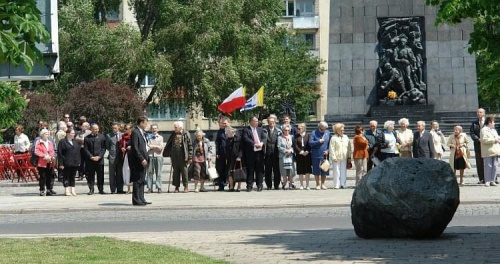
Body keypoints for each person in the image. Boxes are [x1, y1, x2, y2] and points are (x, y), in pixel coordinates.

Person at [163, 121, 193, 193]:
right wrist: (169, 154)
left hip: (183, 155)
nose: (174, 129)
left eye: (176, 127)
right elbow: (169, 144)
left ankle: (186, 187)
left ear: (180, 127)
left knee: (184, 172)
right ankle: (176, 187)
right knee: (175, 172)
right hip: (174, 156)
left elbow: (190, 146)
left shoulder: (186, 134)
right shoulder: (173, 134)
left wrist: (190, 157)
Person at [129, 116, 151, 205]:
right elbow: (135, 147)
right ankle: (136, 199)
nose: (146, 125)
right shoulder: (135, 132)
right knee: (137, 180)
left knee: (142, 180)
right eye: (145, 123)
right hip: (138, 160)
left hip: (144, 159)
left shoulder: (142, 132)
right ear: (141, 123)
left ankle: (141, 198)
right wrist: (141, 159)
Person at [242, 116, 266, 192]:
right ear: (251, 122)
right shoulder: (246, 130)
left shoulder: (260, 129)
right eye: (255, 121)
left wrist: (261, 143)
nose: (257, 122)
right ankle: (249, 186)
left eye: (257, 121)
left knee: (259, 170)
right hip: (250, 153)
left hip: (259, 153)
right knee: (250, 170)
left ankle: (259, 185)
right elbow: (245, 138)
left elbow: (264, 138)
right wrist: (255, 144)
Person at [83, 124, 106, 195]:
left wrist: (99, 156)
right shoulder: (87, 138)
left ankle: (101, 189)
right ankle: (91, 189)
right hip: (90, 160)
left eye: (97, 129)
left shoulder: (102, 137)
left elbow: (103, 148)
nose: (96, 130)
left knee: (100, 175)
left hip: (99, 160)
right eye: (95, 129)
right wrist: (91, 157)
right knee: (90, 175)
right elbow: (86, 149)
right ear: (91, 129)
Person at [57, 128, 81, 196]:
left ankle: (72, 189)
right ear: (68, 134)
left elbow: (78, 152)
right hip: (66, 162)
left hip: (74, 162)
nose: (74, 134)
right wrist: (61, 163)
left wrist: (78, 161)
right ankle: (66, 190)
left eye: (74, 133)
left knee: (72, 176)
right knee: (66, 176)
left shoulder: (75, 141)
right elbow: (60, 153)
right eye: (72, 133)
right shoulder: (62, 142)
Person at [329, 123, 352, 189]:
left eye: (343, 130)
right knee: (336, 171)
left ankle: (343, 184)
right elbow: (332, 148)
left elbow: (349, 148)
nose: (342, 131)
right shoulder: (333, 138)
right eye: (341, 130)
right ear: (337, 130)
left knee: (343, 171)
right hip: (336, 157)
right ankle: (336, 184)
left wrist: (349, 157)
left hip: (344, 157)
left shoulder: (346, 137)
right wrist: (333, 157)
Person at [34, 129, 56, 196]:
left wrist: (50, 156)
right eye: (46, 134)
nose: (47, 135)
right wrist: (44, 156)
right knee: (42, 176)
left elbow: (52, 150)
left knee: (49, 176)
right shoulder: (39, 142)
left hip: (49, 161)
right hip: (42, 162)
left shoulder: (50, 142)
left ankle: (49, 189)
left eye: (48, 134)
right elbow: (36, 151)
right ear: (42, 135)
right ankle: (42, 190)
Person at [309, 121, 330, 190]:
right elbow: (310, 143)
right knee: (316, 170)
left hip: (324, 155)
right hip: (316, 154)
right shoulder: (314, 133)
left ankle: (323, 184)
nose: (324, 130)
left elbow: (330, 144)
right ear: (320, 127)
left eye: (325, 129)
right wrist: (318, 141)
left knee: (324, 170)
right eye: (323, 129)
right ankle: (317, 184)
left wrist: (328, 150)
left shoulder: (328, 133)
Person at [480, 116, 500, 187]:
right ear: (489, 122)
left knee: (495, 166)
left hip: (495, 150)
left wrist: (498, 139)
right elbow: (484, 140)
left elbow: (497, 137)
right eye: (493, 122)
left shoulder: (494, 130)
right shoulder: (484, 130)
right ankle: (487, 181)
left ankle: (493, 180)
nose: (494, 123)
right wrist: (494, 140)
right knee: (488, 166)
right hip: (488, 150)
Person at [264, 114, 282, 190]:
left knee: (276, 170)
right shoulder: (264, 131)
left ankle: (276, 185)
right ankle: (268, 185)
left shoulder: (278, 131)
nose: (271, 123)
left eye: (273, 122)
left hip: (276, 153)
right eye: (270, 122)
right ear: (268, 122)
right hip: (267, 153)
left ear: (275, 123)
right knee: (268, 170)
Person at [106, 122, 124, 194]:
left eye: (116, 128)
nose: (114, 129)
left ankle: (120, 189)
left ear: (118, 127)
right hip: (112, 157)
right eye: (113, 128)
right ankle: (113, 189)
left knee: (120, 174)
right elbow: (107, 146)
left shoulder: (122, 135)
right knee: (112, 174)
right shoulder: (109, 135)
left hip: (120, 157)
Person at [147, 124, 164, 193]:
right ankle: (149, 187)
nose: (154, 130)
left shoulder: (160, 137)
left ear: (158, 129)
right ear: (151, 130)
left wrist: (153, 146)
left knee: (159, 172)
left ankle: (159, 187)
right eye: (153, 128)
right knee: (149, 172)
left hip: (158, 156)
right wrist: (156, 146)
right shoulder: (148, 137)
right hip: (150, 156)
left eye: (155, 128)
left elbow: (161, 148)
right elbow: (148, 146)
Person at [294, 123, 312, 190]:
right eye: (297, 128)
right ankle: (301, 185)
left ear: (303, 128)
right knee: (300, 170)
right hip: (299, 155)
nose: (298, 130)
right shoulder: (296, 136)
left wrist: (307, 151)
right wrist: (300, 152)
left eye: (299, 128)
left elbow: (310, 144)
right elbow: (295, 146)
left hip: (307, 155)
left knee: (307, 170)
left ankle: (307, 185)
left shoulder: (308, 135)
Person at [470, 108, 486, 184]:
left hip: (487, 145)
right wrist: (478, 139)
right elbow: (472, 133)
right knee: (479, 162)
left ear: (483, 113)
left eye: (480, 112)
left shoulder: (488, 122)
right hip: (478, 145)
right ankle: (481, 179)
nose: (478, 113)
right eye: (477, 112)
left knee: (488, 162)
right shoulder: (474, 123)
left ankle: (491, 178)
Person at [225, 126, 243, 192]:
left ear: (232, 132)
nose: (227, 134)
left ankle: (239, 186)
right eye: (227, 133)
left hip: (237, 158)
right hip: (230, 158)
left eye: (228, 132)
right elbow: (226, 148)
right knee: (230, 173)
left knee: (238, 172)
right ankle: (231, 187)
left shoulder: (238, 138)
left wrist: (239, 157)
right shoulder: (228, 139)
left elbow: (241, 149)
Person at [278, 124, 295, 190]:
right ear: (283, 130)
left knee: (291, 171)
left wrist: (291, 150)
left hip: (290, 156)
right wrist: (285, 150)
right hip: (283, 156)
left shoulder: (292, 137)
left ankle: (291, 184)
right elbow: (279, 147)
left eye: (288, 130)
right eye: (285, 130)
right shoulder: (280, 137)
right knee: (284, 171)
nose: (287, 131)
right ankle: (284, 184)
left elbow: (294, 145)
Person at [215, 117, 229, 191]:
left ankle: (231, 185)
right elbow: (217, 143)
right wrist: (217, 152)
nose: (224, 125)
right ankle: (221, 185)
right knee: (221, 169)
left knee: (229, 169)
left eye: (225, 123)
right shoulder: (219, 132)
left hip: (230, 153)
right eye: (222, 123)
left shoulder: (231, 131)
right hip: (222, 153)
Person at [120, 124, 133, 194]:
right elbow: (121, 144)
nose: (126, 130)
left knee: (133, 171)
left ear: (131, 129)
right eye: (125, 129)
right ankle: (128, 188)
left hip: (133, 156)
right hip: (126, 156)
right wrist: (122, 148)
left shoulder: (134, 136)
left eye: (127, 129)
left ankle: (136, 188)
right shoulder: (123, 137)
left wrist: (132, 147)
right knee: (127, 171)